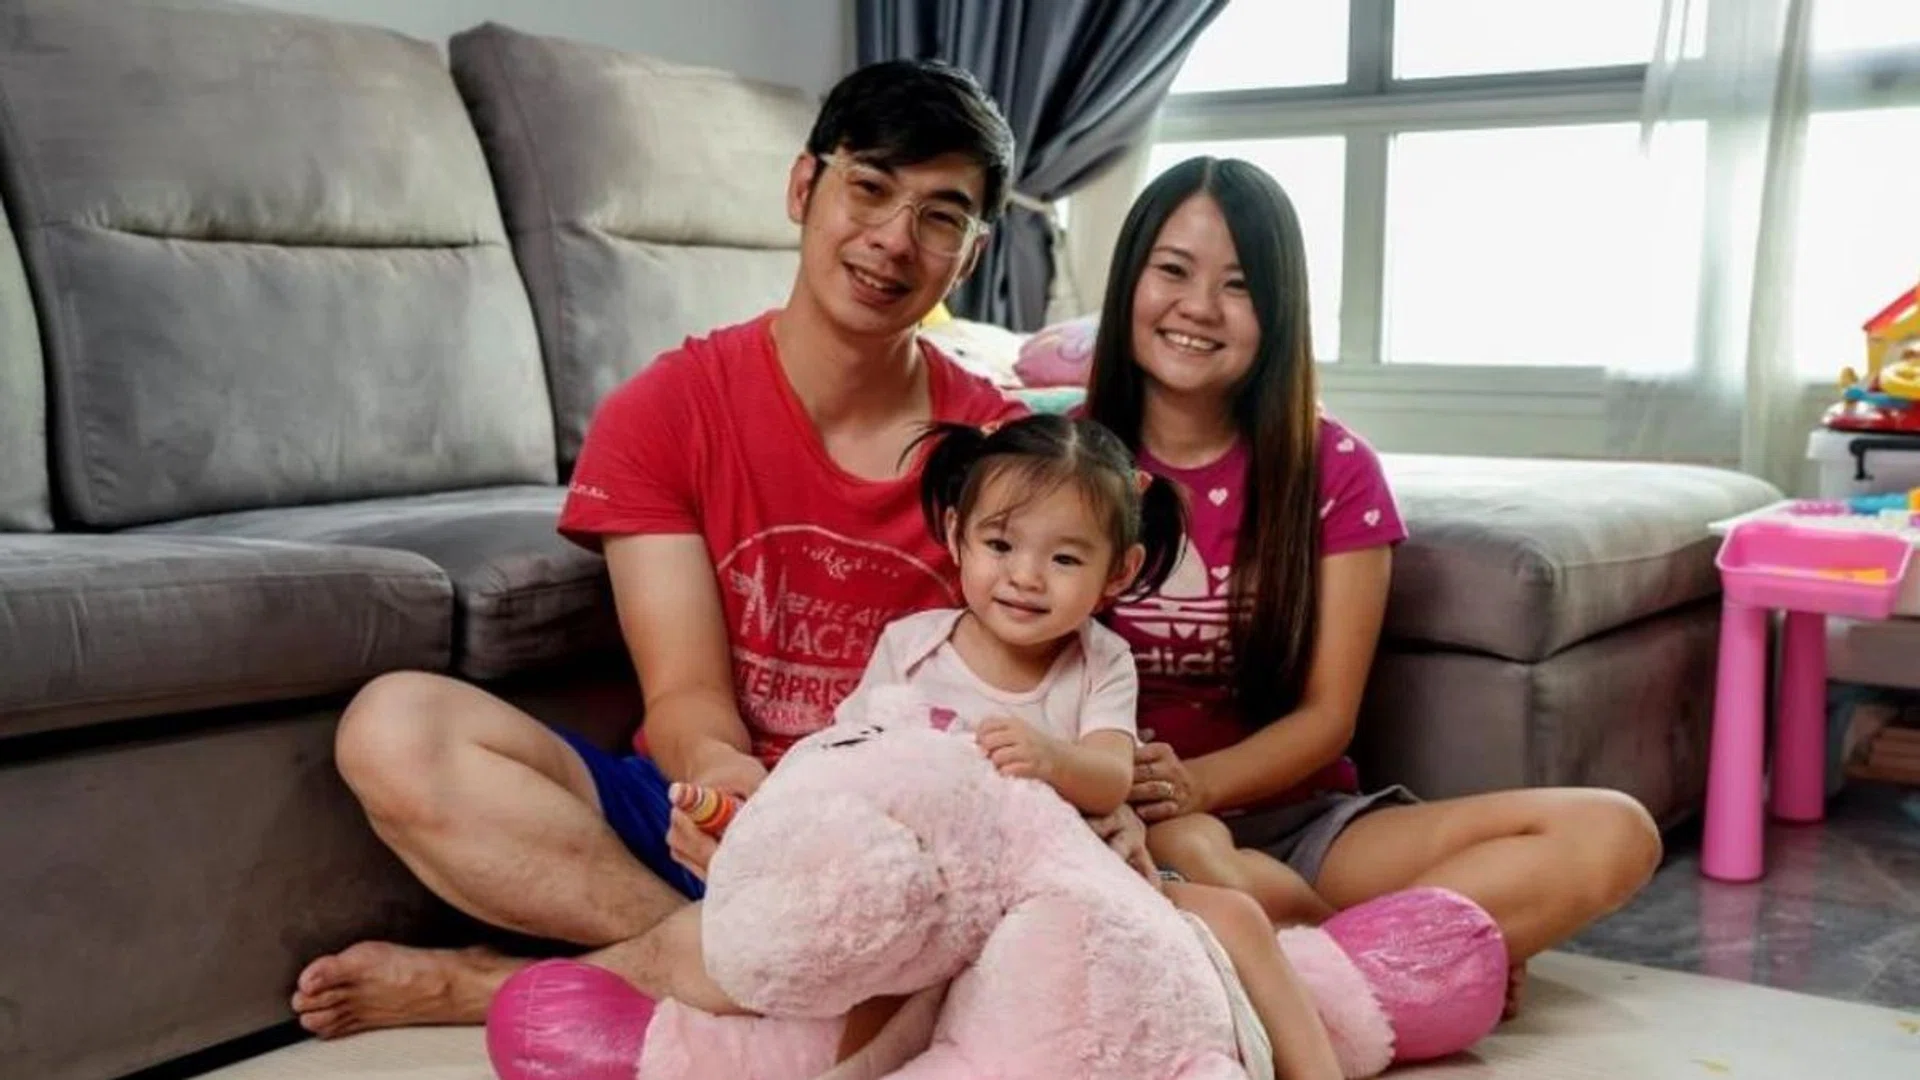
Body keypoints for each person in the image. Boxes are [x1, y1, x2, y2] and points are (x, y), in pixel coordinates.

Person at [290, 57, 1026, 1040]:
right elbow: (682, 693)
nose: (894, 239)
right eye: (870, 187)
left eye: (941, 215)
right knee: (392, 728)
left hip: (894, 844)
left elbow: (1015, 702)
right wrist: (727, 786)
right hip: (702, 815)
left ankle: (500, 988)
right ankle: (736, 961)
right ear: (805, 187)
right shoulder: (667, 410)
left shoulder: (1002, 455)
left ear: (970, 256)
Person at [1084, 155, 1665, 1010]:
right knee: (1201, 852)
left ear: (1279, 313)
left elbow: (1328, 718)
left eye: (1239, 285)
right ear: (1129, 278)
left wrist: (1201, 783)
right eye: (1172, 270)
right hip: (1132, 829)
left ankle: (1292, 966)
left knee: (1612, 831)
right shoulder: (1060, 462)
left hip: (1302, 824)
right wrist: (1159, 803)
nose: (1199, 308)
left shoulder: (1333, 466)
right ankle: (1406, 965)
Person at [825, 411, 1341, 1080]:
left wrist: (1050, 759)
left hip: (1087, 885)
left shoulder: (1101, 661)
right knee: (884, 960)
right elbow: (848, 761)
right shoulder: (913, 647)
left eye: (1065, 558)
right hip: (948, 891)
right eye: (1001, 545)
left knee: (1237, 915)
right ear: (957, 535)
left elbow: (1108, 777)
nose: (1027, 576)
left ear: (1118, 572)